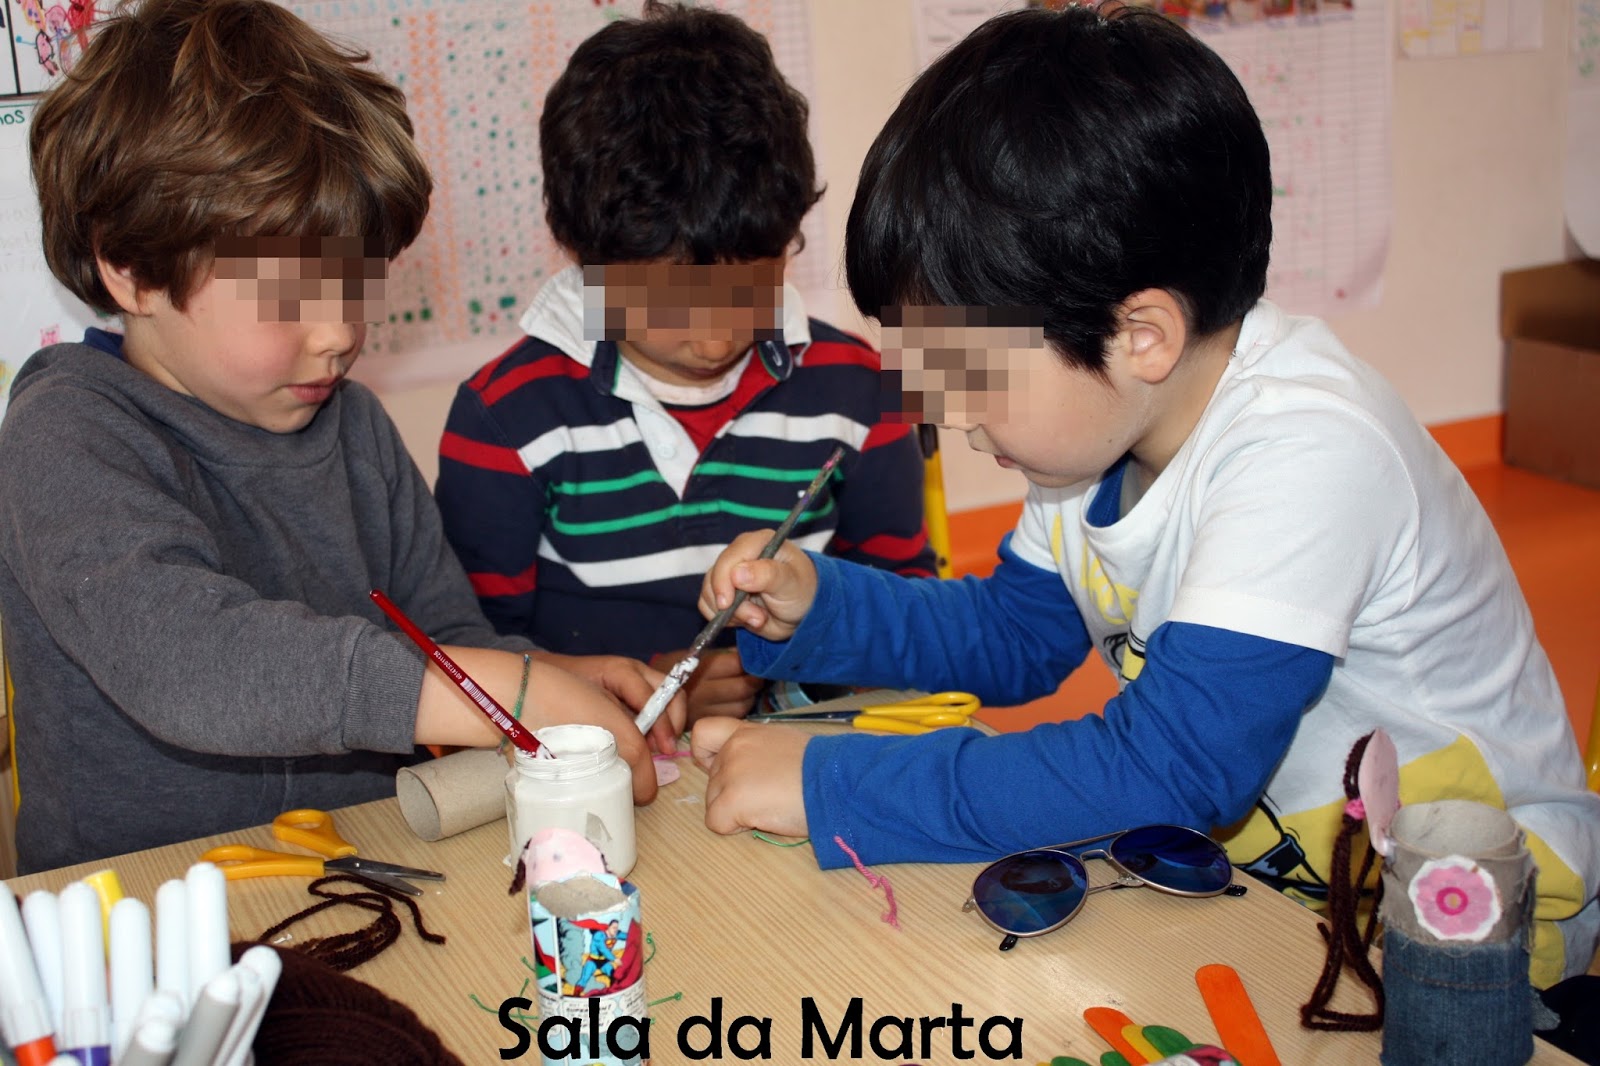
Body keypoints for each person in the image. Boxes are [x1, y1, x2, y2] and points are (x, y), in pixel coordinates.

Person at [688, 3, 1600, 986]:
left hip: (1476, 935)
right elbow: (1015, 636)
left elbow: (1169, 769)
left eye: (962, 370)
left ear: (1141, 337)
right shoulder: (1092, 441)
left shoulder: (1310, 452)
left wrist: (837, 786)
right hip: (1283, 898)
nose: (936, 408)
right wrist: (822, 605)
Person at [0, 0, 680, 875]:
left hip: (360, 873)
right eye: (290, 296)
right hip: (137, 908)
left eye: (359, 286)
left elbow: (441, 634)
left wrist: (552, 677)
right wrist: (509, 691)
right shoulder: (64, 431)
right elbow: (191, 660)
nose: (338, 334)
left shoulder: (352, 423)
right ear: (130, 267)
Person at [435, 1, 935, 723]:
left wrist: (795, 665)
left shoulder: (858, 393)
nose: (713, 341)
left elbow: (909, 621)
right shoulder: (507, 419)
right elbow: (469, 659)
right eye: (668, 304)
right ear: (585, 261)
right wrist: (630, 685)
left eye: (749, 291)